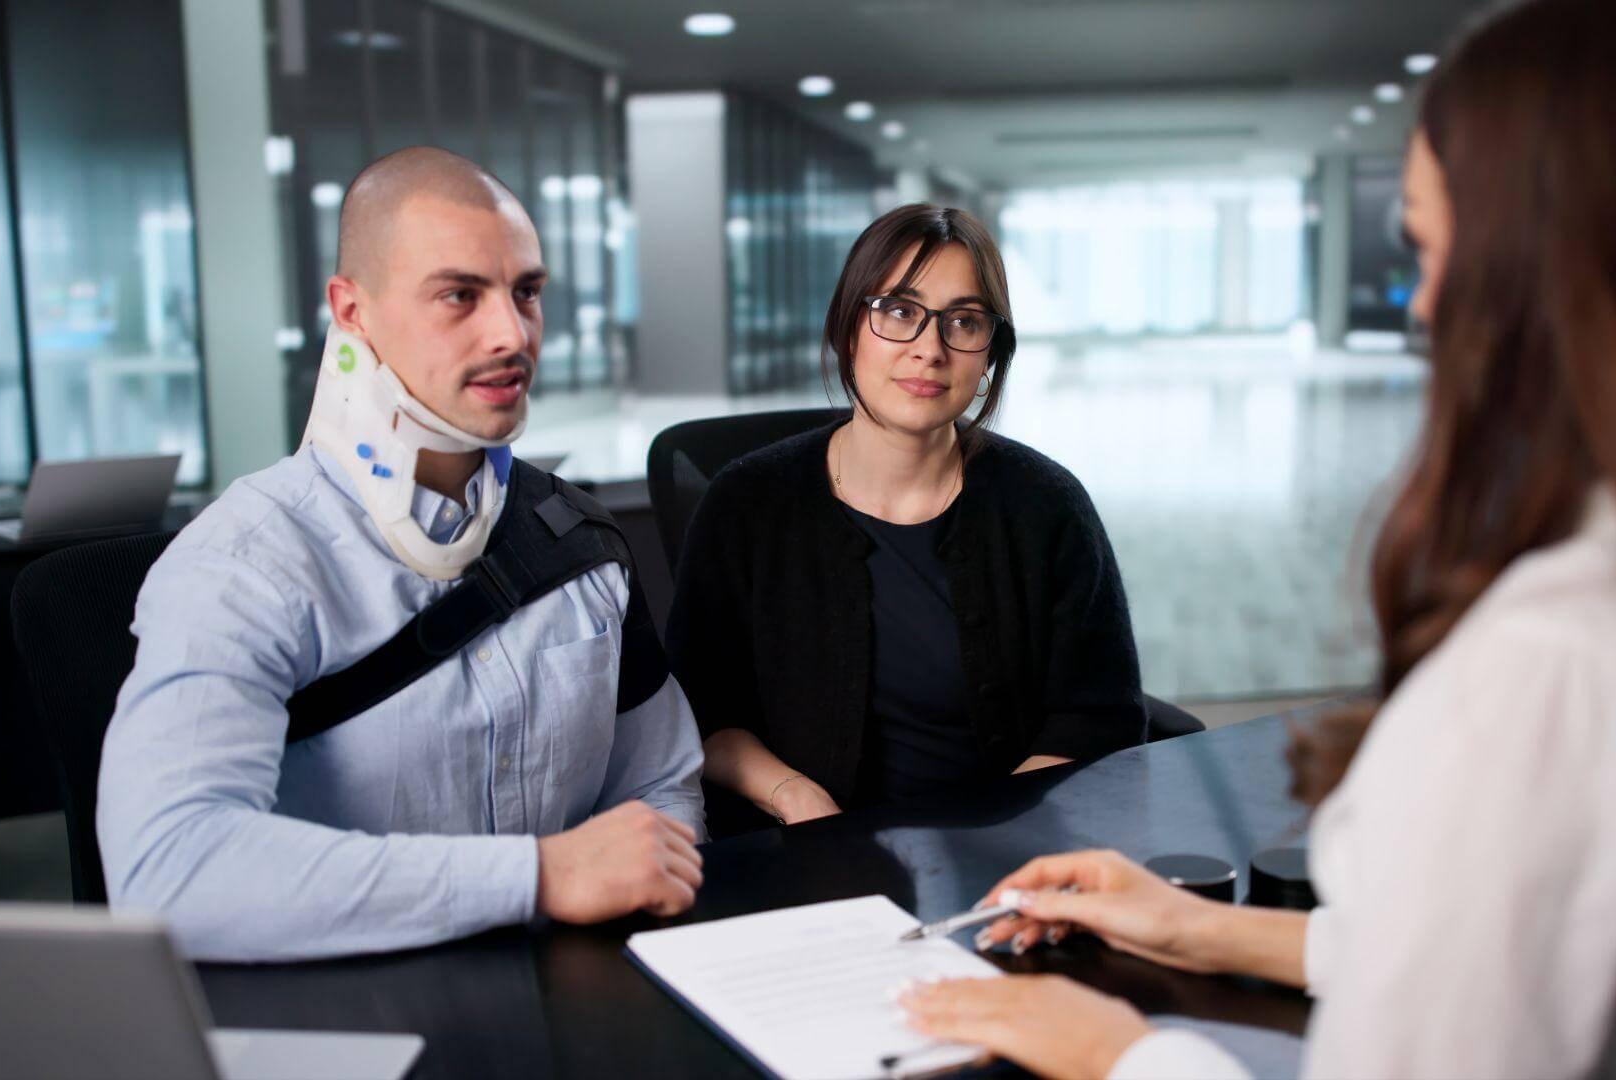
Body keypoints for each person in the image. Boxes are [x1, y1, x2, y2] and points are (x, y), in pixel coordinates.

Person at [895, 0, 1616, 1075]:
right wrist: (1199, 924)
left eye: (1436, 250)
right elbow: (1499, 960)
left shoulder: (1550, 665)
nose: (1420, 306)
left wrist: (1116, 1052)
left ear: (1557, 277)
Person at [98, 147, 705, 963]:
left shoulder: (578, 541)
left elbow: (662, 783)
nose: (512, 333)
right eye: (460, 294)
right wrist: (533, 877)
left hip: (579, 1003)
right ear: (351, 310)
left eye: (527, 292)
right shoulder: (245, 566)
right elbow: (168, 870)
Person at [666, 204, 1146, 829]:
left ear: (990, 356)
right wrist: (795, 798)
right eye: (899, 311)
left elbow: (1099, 716)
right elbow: (697, 711)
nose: (930, 349)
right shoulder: (746, 504)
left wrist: (995, 831)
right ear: (848, 327)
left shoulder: (1046, 505)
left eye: (965, 322)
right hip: (805, 857)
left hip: (1000, 861)